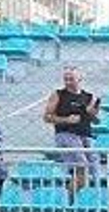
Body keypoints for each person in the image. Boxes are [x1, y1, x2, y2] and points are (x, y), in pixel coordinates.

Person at [43, 67, 101, 199]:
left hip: (85, 134)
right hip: (66, 133)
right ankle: (71, 200)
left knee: (94, 167)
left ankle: (80, 198)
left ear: (80, 79)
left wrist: (93, 113)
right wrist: (66, 119)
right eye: (66, 79)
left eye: (71, 79)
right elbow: (47, 117)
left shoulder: (88, 96)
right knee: (81, 166)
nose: (68, 82)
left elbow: (92, 118)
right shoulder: (58, 95)